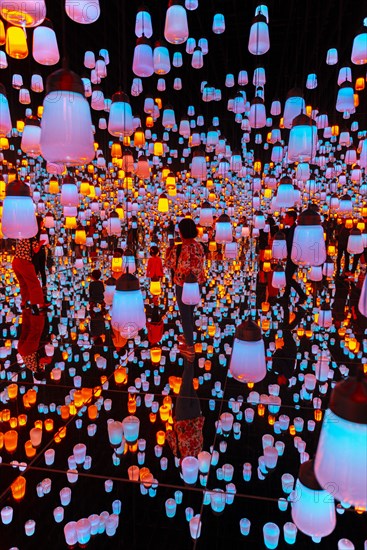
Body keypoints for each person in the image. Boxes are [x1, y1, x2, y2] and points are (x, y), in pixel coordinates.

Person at [165, 218, 205, 360]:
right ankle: (188, 336)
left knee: (185, 315)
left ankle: (189, 346)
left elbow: (169, 264)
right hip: (197, 284)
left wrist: (168, 251)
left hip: (182, 285)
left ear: (181, 232)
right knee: (190, 311)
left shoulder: (178, 248)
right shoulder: (199, 246)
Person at [166, 358, 205, 461]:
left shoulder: (198, 451)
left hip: (194, 414)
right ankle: (189, 355)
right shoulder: (179, 452)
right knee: (187, 382)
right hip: (184, 415)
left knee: (188, 382)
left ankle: (188, 355)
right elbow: (169, 434)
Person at [12, 234, 49, 315]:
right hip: (24, 262)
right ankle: (38, 303)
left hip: (15, 262)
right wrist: (40, 243)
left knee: (23, 284)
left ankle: (23, 302)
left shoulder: (23, 238)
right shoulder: (32, 238)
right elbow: (36, 250)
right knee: (34, 283)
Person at [282, 210, 307, 305]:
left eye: (286, 217)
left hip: (294, 256)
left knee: (287, 276)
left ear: (291, 218)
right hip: (291, 256)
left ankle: (301, 294)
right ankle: (286, 294)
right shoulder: (293, 229)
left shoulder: (295, 229)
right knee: (287, 275)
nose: (284, 219)